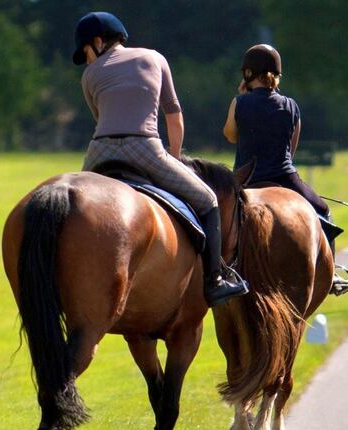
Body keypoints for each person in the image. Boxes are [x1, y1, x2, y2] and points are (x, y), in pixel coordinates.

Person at [73, 11, 248, 306]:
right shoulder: (155, 58)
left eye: (85, 52)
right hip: (145, 148)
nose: (87, 60)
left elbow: (102, 120)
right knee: (207, 200)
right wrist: (175, 158)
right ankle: (215, 281)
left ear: (99, 42)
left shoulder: (89, 76)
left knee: (77, 208)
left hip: (99, 150)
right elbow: (173, 115)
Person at [222, 44, 348, 295]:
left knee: (214, 215)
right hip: (284, 176)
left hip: (246, 180)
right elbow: (291, 149)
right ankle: (331, 273)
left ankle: (214, 274)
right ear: (276, 75)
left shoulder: (239, 102)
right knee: (323, 210)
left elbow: (230, 135)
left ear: (248, 73)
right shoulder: (291, 106)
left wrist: (242, 99)